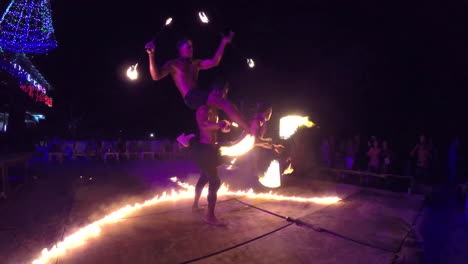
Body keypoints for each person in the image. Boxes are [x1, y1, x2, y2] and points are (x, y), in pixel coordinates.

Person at [145, 33, 251, 133]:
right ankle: (248, 129)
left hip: (199, 94)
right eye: (188, 47)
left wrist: (223, 43)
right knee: (224, 103)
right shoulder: (174, 64)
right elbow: (155, 76)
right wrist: (151, 55)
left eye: (192, 47)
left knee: (223, 98)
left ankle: (235, 126)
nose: (191, 49)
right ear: (180, 50)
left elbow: (214, 62)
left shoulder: (196, 63)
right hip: (191, 97)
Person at [189, 83, 233, 226]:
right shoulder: (203, 109)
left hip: (211, 150)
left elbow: (215, 128)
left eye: (225, 93)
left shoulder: (215, 110)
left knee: (204, 177)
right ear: (214, 92)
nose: (223, 96)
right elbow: (204, 126)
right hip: (205, 150)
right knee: (215, 181)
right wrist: (219, 125)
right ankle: (210, 216)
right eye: (222, 93)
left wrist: (224, 128)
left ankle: (195, 205)